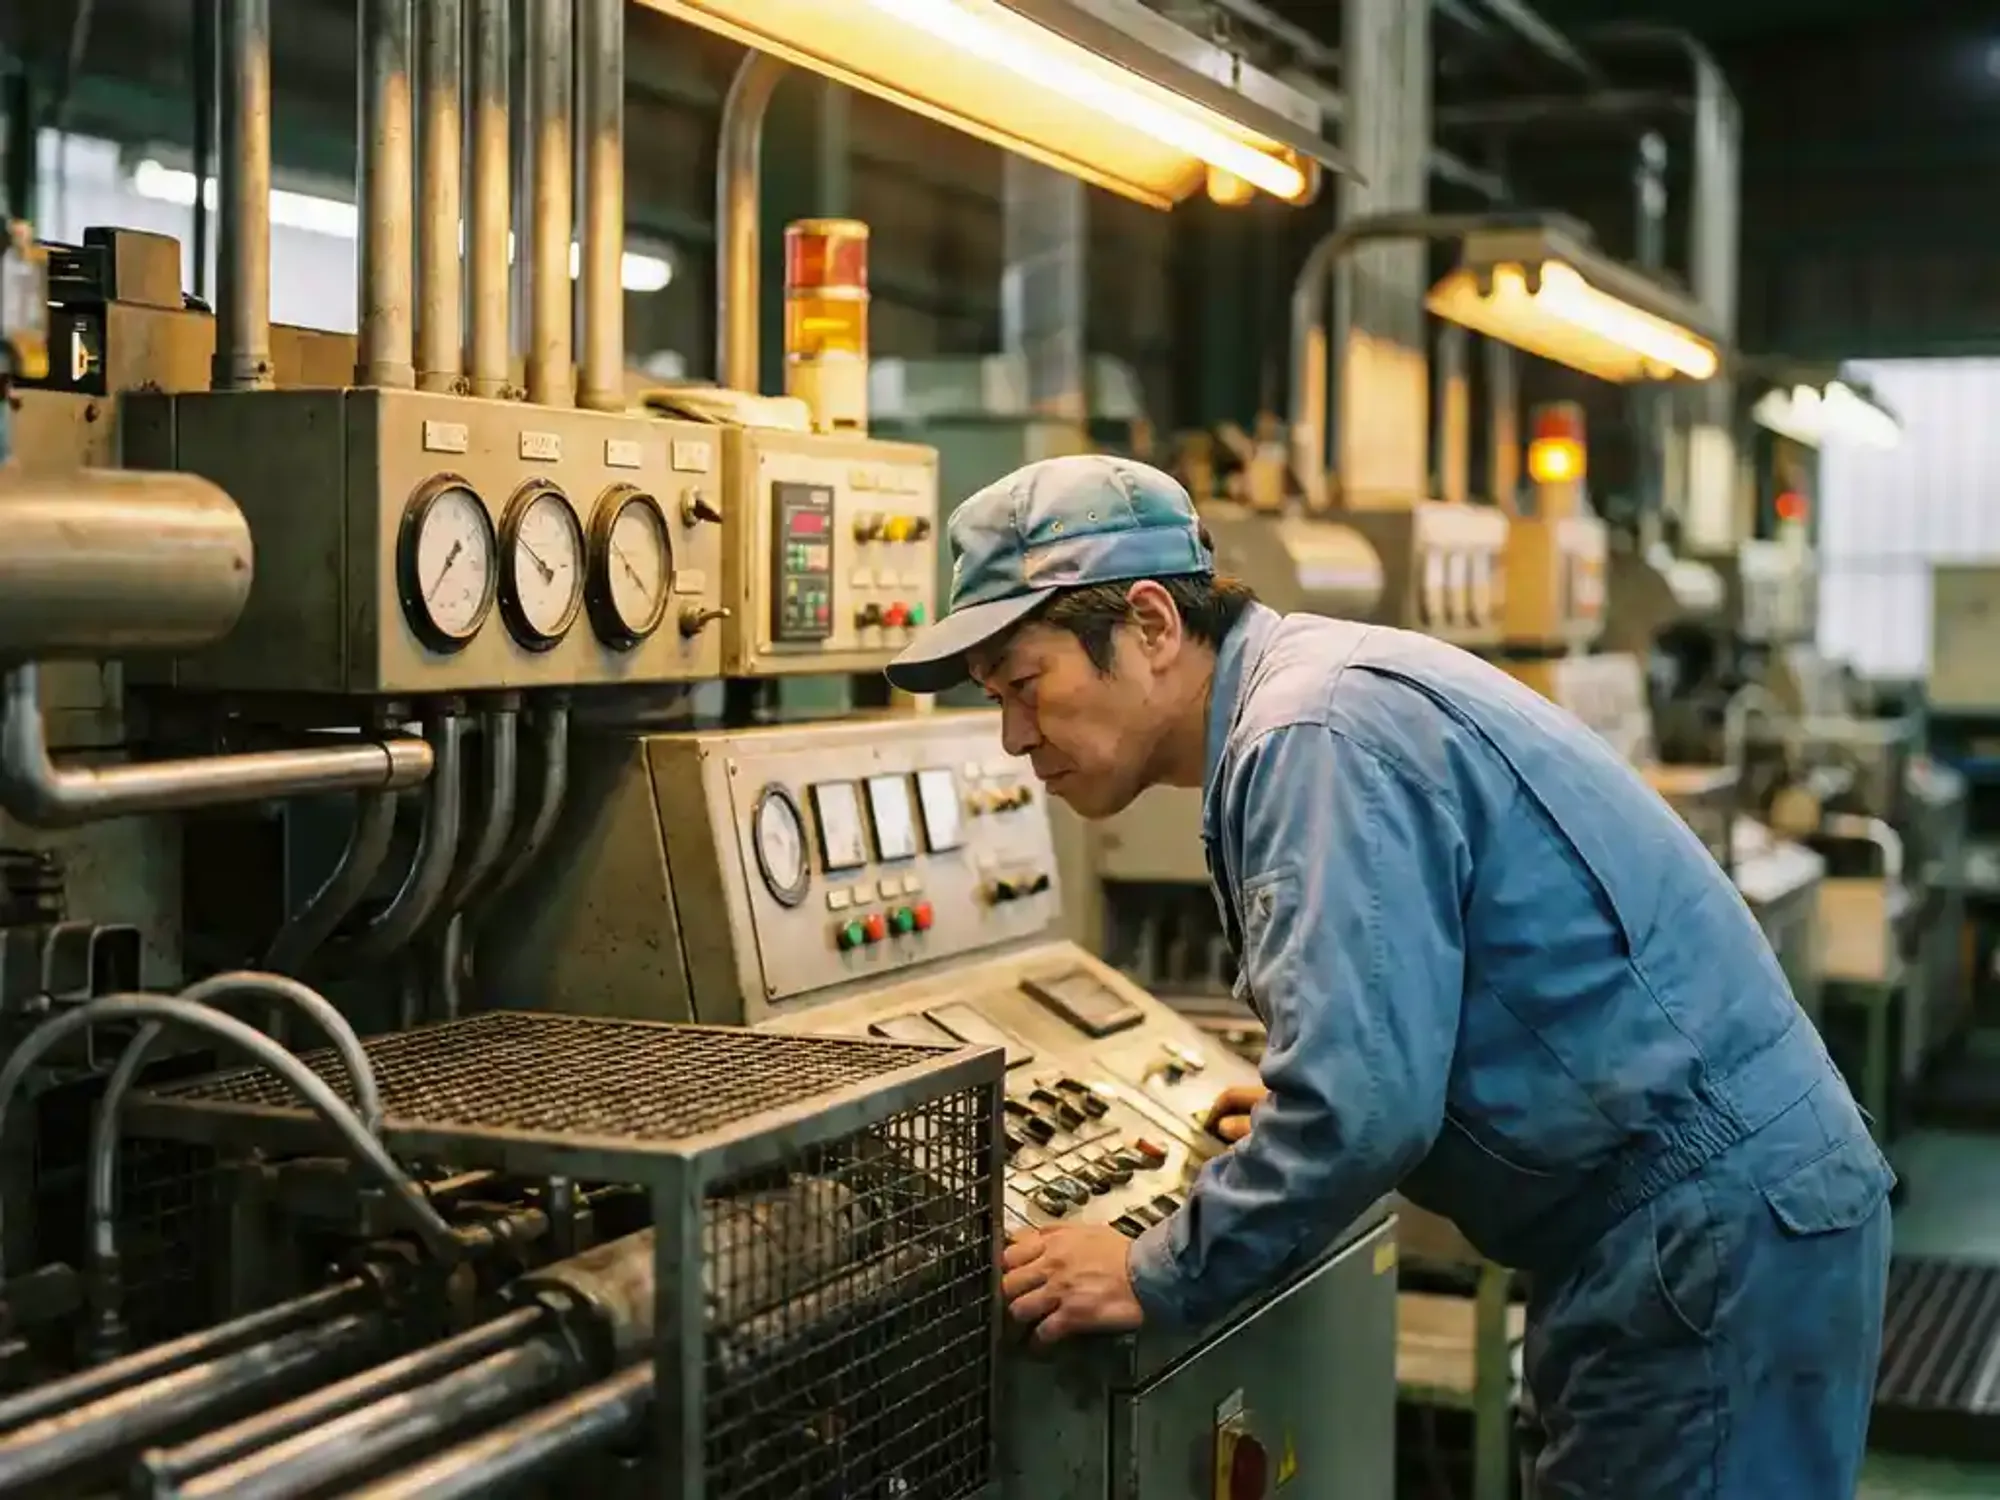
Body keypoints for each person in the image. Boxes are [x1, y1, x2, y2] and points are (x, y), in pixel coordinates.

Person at [883, 454, 1893, 1499]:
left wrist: (1150, 1268)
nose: (1011, 736)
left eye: (1023, 684)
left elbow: (1363, 1111)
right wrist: (1298, 1105)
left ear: (1146, 623)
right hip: (1701, 1229)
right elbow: (1379, 1044)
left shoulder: (1305, 734)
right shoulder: (1308, 696)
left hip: (1702, 1242)